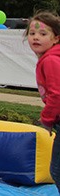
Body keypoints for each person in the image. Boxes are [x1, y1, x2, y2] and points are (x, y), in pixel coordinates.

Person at [26, 10, 60, 189]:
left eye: (43, 33)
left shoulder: (50, 61)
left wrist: (46, 119)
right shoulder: (50, 58)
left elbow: (57, 94)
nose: (36, 38)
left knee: (56, 170)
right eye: (32, 34)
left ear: (56, 38)